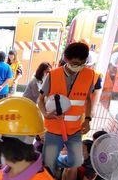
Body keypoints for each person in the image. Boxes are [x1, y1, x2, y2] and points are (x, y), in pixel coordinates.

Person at [38, 42, 101, 171]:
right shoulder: (53, 75)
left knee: (76, 161)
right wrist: (45, 113)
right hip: (53, 128)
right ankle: (50, 169)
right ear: (66, 59)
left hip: (75, 129)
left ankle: (58, 163)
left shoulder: (89, 75)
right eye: (74, 63)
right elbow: (40, 99)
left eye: (81, 63)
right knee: (49, 164)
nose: (77, 66)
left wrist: (88, 120)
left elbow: (88, 99)